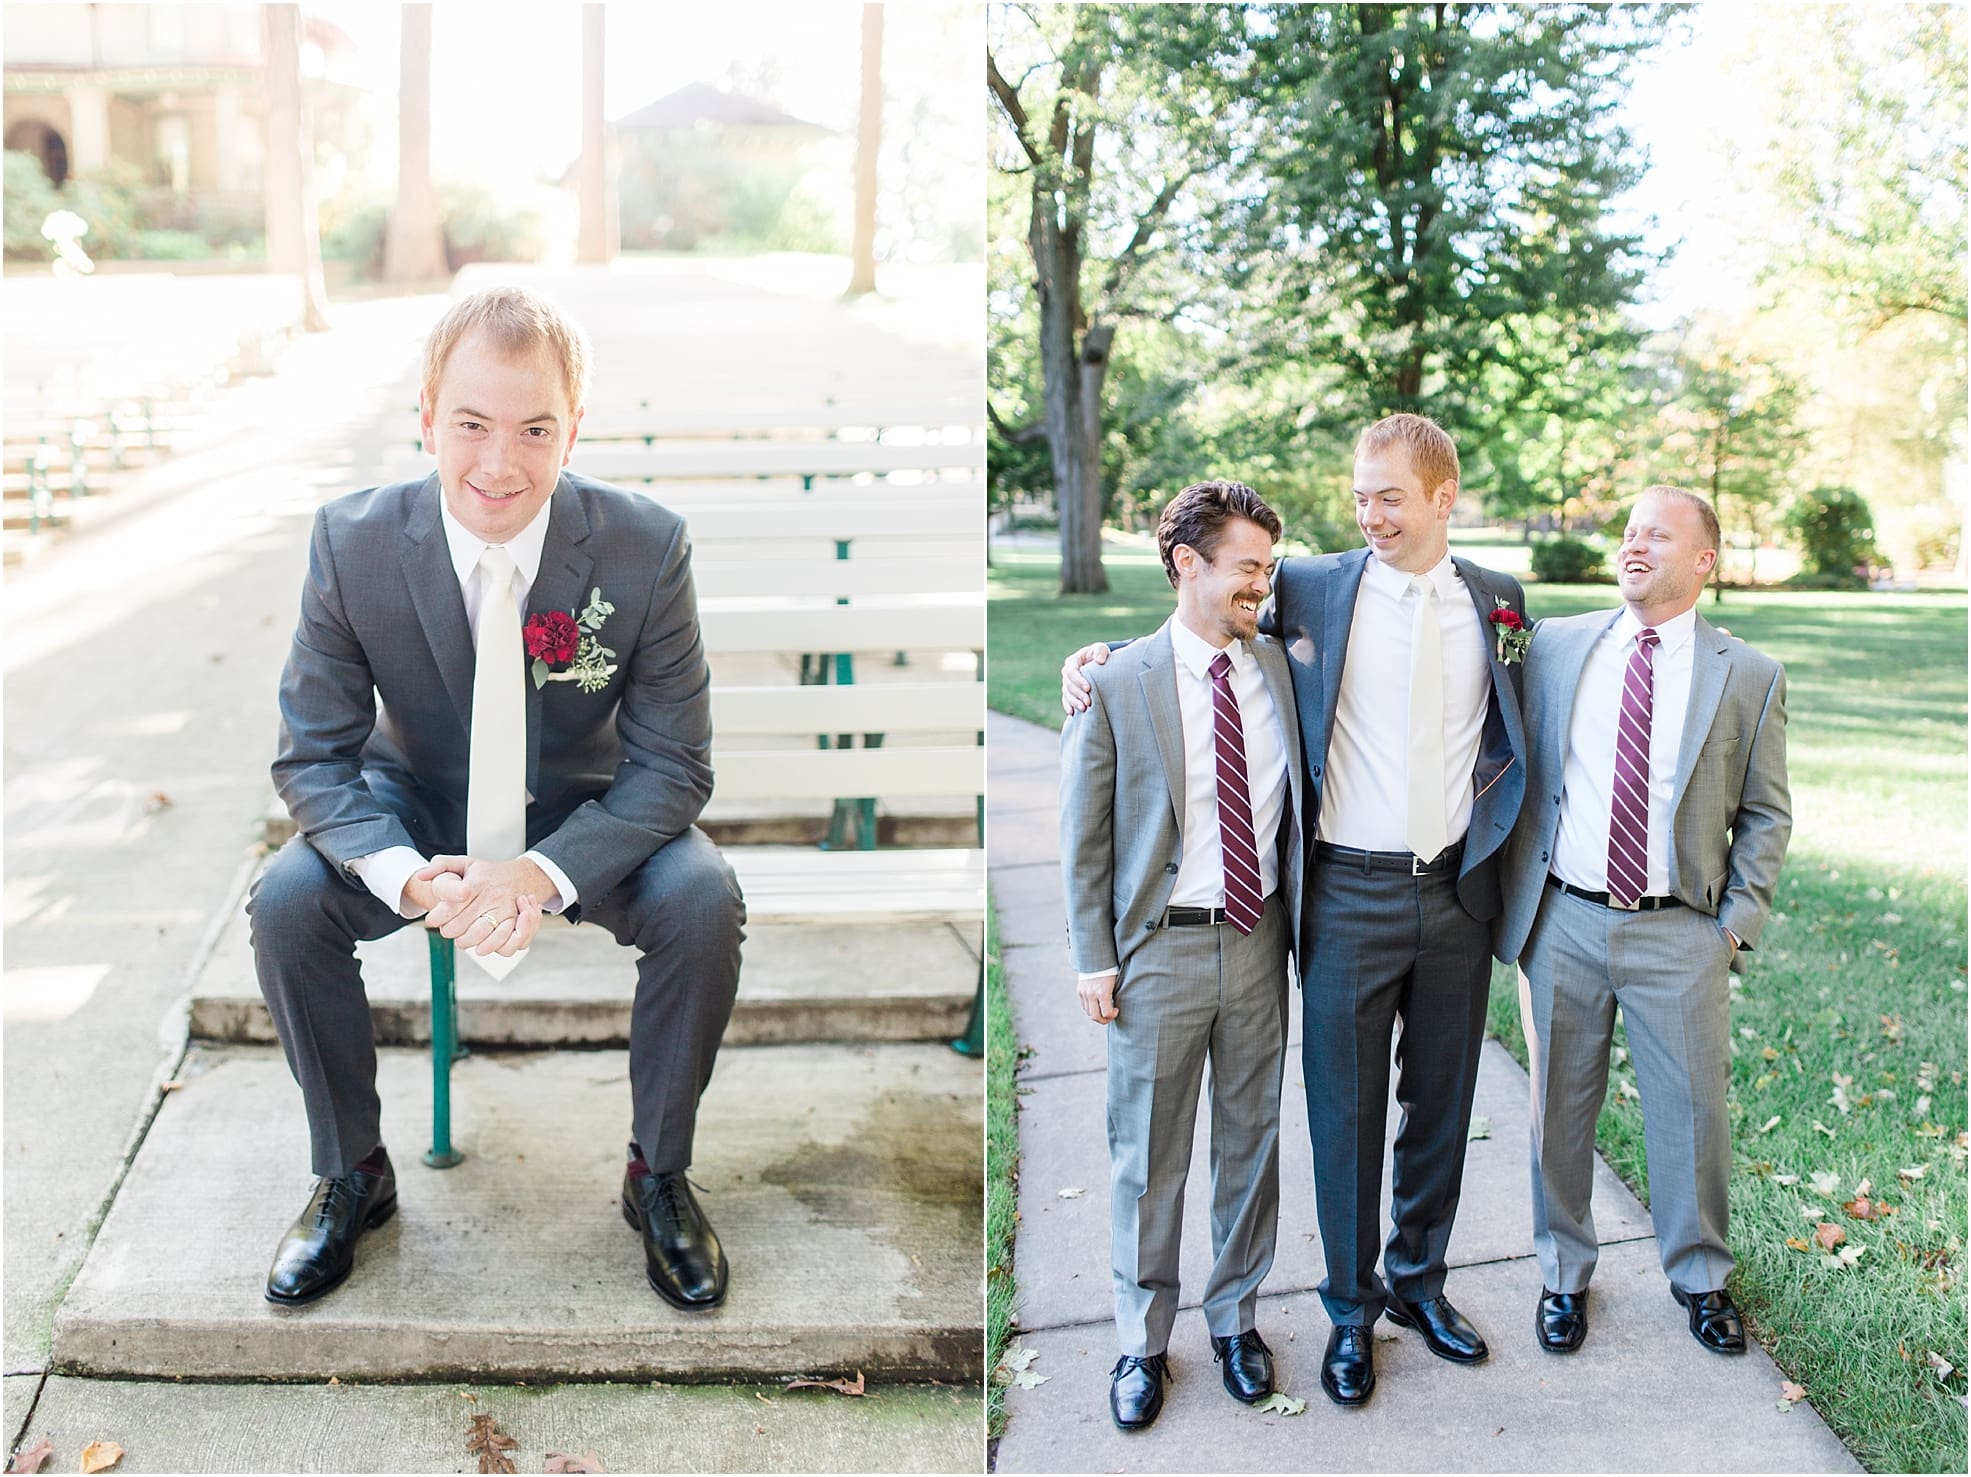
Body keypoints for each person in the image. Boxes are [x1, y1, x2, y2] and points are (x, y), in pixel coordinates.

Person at [249, 286, 745, 1312]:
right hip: (416, 811)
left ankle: (658, 1175)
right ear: (426, 417)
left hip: (586, 817)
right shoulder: (353, 542)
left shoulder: (644, 547)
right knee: (288, 899)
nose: (499, 464)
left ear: (575, 432)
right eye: (471, 425)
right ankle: (351, 1174)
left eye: (535, 430)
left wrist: (543, 872)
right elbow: (312, 757)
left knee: (704, 900)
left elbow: (674, 767)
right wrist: (398, 869)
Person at [1064, 414, 1528, 1407]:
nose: (1369, 515)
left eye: (1388, 496)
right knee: (1334, 1119)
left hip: (1453, 894)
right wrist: (1097, 653)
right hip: (1340, 898)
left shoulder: (1499, 603)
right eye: (1359, 495)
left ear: (1443, 497)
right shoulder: (1311, 590)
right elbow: (1194, 629)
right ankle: (1344, 1314)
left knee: (1433, 1111)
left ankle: (1416, 1287)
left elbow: (1545, 699)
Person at [1496, 484, 1790, 1357]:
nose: (1633, 545)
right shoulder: (1552, 644)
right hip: (1564, 922)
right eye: (1627, 533)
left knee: (1691, 1111)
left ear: (1703, 560)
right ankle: (1562, 1273)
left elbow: (1767, 814)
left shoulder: (1747, 673)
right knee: (1559, 1109)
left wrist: (1732, 926)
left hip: (1680, 931)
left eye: (1656, 536)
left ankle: (1699, 1278)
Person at [1060, 481, 1303, 1431]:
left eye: (1267, 568)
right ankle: (1140, 1338)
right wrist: (1093, 958)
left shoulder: (1280, 667)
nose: (1260, 584)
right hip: (1157, 949)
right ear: (1184, 566)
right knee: (1147, 1157)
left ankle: (1236, 1319)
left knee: (1251, 1143)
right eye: (1246, 566)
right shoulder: (1116, 681)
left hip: (1257, 938)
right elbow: (1084, 836)